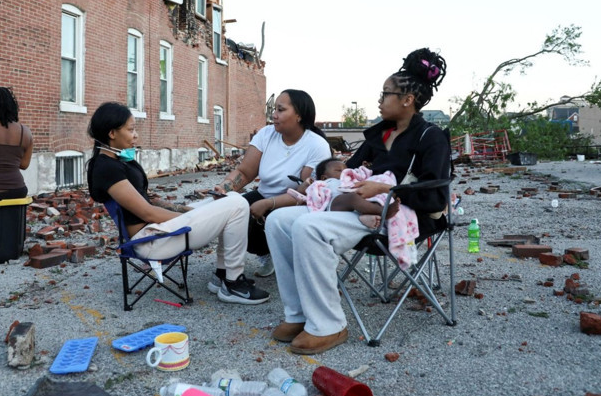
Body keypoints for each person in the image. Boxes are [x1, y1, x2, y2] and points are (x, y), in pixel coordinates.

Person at [265, 48, 450, 355]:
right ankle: (298, 314)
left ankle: (328, 325)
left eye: (386, 93)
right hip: (359, 210)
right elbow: (348, 171)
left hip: (402, 216)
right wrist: (322, 183)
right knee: (278, 221)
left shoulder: (430, 137)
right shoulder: (378, 135)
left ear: (407, 100)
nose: (380, 99)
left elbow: (436, 195)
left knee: (309, 228)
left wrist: (386, 189)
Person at [86, 102, 270, 305]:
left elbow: (151, 201)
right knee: (238, 205)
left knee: (232, 199)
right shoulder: (107, 168)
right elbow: (148, 213)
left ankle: (222, 275)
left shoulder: (117, 161)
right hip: (152, 240)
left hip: (159, 231)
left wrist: (190, 209)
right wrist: (191, 218)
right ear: (112, 133)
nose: (135, 135)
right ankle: (233, 283)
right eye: (131, 130)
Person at [212, 89, 331, 279]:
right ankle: (249, 262)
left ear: (299, 115)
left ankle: (281, 252)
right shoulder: (266, 134)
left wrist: (269, 204)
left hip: (295, 203)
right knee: (231, 215)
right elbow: (245, 172)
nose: (274, 115)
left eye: (281, 110)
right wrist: (224, 187)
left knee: (256, 223)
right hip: (264, 194)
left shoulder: (317, 145)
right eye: (274, 109)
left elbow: (304, 194)